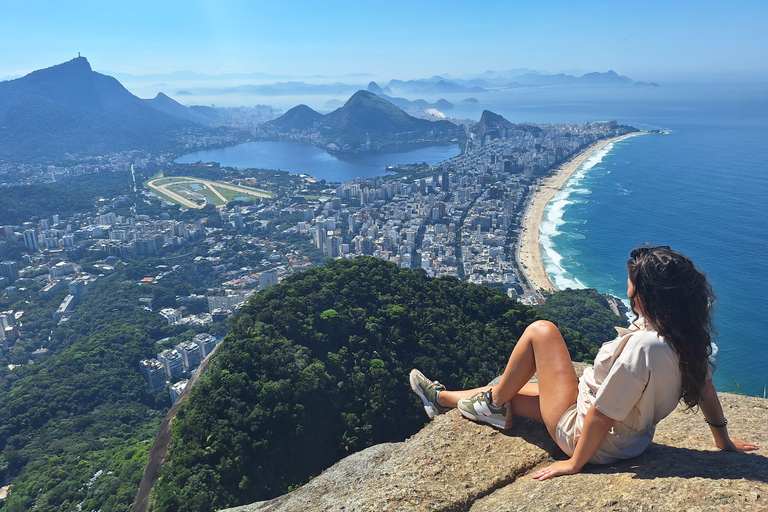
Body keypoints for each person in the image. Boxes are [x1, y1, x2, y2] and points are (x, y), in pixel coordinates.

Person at [410, 245, 758, 480]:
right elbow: (706, 388)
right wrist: (722, 440)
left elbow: (603, 412)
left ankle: (488, 403)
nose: (627, 291)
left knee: (542, 331)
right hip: (629, 439)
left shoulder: (645, 346)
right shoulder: (686, 334)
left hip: (589, 437)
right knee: (513, 393)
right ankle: (442, 399)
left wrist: (574, 463)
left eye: (632, 285)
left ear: (644, 295)